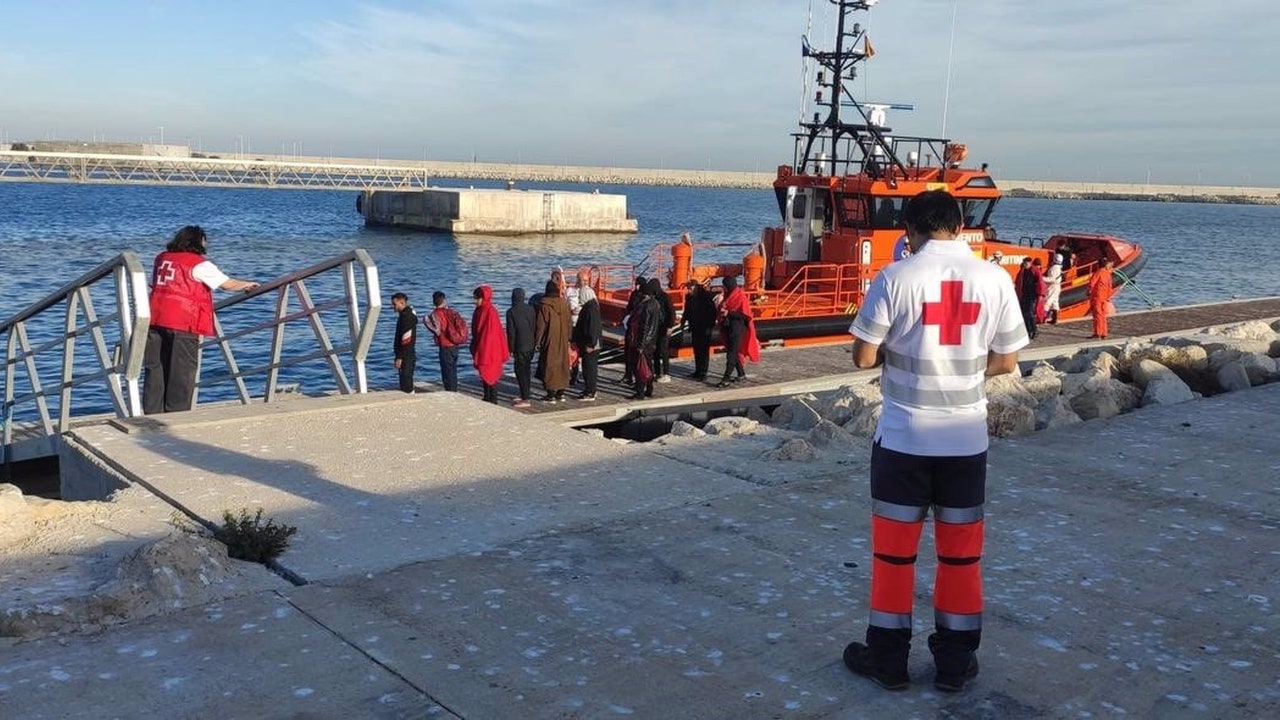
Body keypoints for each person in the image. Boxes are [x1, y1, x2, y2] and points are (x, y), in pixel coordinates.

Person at [846, 189, 1028, 693]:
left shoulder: (896, 277)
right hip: (966, 442)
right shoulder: (994, 279)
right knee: (961, 557)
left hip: (904, 439)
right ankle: (954, 663)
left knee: (894, 556)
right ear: (959, 224)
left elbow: (862, 358)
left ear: (911, 228)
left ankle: (887, 659)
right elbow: (1008, 360)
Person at [143, 225, 258, 414]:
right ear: (198, 241)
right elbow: (227, 284)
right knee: (182, 373)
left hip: (155, 319)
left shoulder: (162, 258)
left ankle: (152, 413)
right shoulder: (199, 264)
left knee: (155, 368)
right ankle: (177, 415)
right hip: (184, 322)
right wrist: (248, 284)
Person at [716, 275, 759, 388]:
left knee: (731, 354)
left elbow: (746, 316)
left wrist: (728, 313)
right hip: (729, 327)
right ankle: (741, 374)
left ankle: (726, 379)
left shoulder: (740, 297)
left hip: (738, 329)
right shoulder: (727, 296)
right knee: (732, 353)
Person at [534, 280, 572, 402]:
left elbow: (541, 326)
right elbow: (569, 322)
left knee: (549, 365)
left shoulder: (544, 305)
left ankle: (550, 394)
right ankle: (561, 392)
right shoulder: (564, 304)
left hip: (550, 339)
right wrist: (569, 337)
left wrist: (537, 342)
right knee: (563, 365)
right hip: (563, 338)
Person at [470, 285, 509, 403]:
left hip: (490, 349)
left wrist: (482, 349)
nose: (475, 301)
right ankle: (487, 396)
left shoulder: (490, 311)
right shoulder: (480, 310)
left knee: (490, 373)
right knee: (484, 374)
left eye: (477, 298)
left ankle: (493, 399)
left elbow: (490, 334)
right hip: (483, 346)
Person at [423, 291, 466, 391]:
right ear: (444, 300)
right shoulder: (452, 312)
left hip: (445, 345)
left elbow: (437, 331)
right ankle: (454, 390)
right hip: (455, 344)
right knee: (453, 371)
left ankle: (450, 392)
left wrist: (426, 320)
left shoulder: (435, 315)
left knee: (447, 372)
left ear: (433, 301)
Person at [626, 280, 662, 400]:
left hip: (642, 341)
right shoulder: (656, 304)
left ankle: (640, 391)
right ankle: (649, 388)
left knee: (639, 366)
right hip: (651, 341)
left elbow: (644, 326)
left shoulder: (645, 305)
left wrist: (640, 344)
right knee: (648, 365)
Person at [680, 280, 718, 380]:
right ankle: (697, 371)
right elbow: (687, 311)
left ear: (695, 287)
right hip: (694, 326)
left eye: (690, 288)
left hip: (705, 327)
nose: (689, 290)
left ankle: (703, 373)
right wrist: (683, 322)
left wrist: (710, 325)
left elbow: (712, 311)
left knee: (704, 351)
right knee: (697, 350)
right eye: (688, 289)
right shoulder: (689, 297)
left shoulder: (705, 296)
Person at [572, 281, 602, 400]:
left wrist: (591, 343)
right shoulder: (592, 306)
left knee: (589, 368)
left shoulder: (590, 309)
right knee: (589, 367)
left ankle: (590, 391)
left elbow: (593, 328)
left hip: (591, 345)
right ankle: (589, 389)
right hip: (590, 343)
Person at [506, 287, 536, 408]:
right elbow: (534, 326)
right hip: (530, 344)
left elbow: (511, 333)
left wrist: (511, 348)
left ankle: (526, 398)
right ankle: (525, 394)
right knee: (526, 370)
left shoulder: (511, 312)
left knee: (520, 371)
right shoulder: (530, 309)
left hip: (519, 345)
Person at [647, 278, 676, 383]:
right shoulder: (653, 298)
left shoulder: (665, 297)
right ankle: (657, 372)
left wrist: (670, 326)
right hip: (656, 327)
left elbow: (671, 312)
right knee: (655, 350)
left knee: (663, 350)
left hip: (664, 327)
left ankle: (666, 373)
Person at [620, 275, 648, 387]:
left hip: (637, 329)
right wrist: (626, 316)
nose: (636, 286)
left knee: (635, 356)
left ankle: (638, 380)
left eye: (638, 284)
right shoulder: (634, 295)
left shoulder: (644, 299)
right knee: (627, 354)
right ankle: (628, 375)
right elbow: (629, 307)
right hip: (630, 326)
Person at [391, 292, 417, 393]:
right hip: (407, 352)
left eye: (395, 304)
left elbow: (406, 338)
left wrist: (400, 357)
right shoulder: (405, 315)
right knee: (405, 378)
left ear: (401, 302)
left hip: (406, 353)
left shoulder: (406, 317)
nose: (393, 307)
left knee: (406, 379)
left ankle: (410, 394)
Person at [1089, 258, 1115, 339]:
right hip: (1104, 297)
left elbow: (1092, 283)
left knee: (1097, 314)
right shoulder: (1108, 274)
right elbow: (1110, 286)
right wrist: (1108, 296)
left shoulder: (1098, 273)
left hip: (1097, 296)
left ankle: (1098, 332)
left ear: (1098, 264)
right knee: (1103, 315)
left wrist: (1089, 291)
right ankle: (1104, 332)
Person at [1015, 257, 1039, 340]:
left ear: (1030, 263)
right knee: (1024, 314)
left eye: (1026, 263)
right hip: (1024, 295)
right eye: (1024, 263)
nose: (1025, 264)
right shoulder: (1022, 271)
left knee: (1030, 314)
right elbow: (1018, 282)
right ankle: (1028, 331)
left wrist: (1038, 295)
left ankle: (1034, 330)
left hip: (1031, 295)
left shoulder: (1034, 271)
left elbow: (1039, 283)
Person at [1043, 254, 1063, 324]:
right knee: (1055, 302)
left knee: (1047, 301)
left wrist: (1042, 278)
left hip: (1052, 286)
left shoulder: (1054, 268)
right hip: (1057, 286)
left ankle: (1043, 317)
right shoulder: (1060, 268)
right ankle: (1054, 319)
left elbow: (1051, 279)